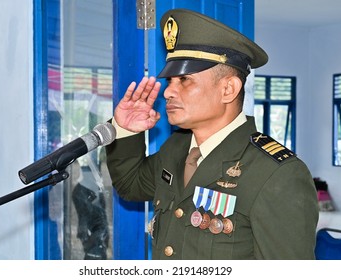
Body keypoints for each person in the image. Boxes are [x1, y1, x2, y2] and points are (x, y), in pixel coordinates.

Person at [106, 8, 319, 259]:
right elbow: (131, 186)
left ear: (228, 89)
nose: (168, 92)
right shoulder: (177, 149)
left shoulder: (277, 174)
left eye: (184, 80)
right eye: (170, 81)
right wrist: (126, 130)